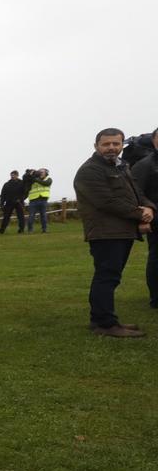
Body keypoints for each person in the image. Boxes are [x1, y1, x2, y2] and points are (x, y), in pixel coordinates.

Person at [72, 127, 154, 338]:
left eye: (116, 144)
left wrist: (148, 207)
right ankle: (106, 324)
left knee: (110, 277)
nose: (111, 148)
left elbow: (137, 192)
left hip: (120, 231)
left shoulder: (121, 167)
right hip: (105, 232)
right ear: (96, 146)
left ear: (121, 145)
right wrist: (139, 214)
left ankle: (100, 319)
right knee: (107, 277)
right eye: (106, 144)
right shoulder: (90, 170)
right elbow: (107, 202)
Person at [132, 134, 158, 310]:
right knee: (157, 258)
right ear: (154, 141)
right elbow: (136, 193)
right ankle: (156, 297)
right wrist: (142, 219)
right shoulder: (145, 164)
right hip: (156, 217)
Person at [26, 169, 53, 233]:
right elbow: (26, 180)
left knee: (43, 215)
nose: (40, 173)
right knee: (31, 216)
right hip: (33, 199)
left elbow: (46, 183)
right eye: (39, 172)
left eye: (42, 172)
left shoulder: (48, 179)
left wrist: (34, 178)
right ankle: (30, 230)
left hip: (43, 199)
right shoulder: (33, 179)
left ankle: (44, 229)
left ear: (46, 173)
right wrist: (30, 174)